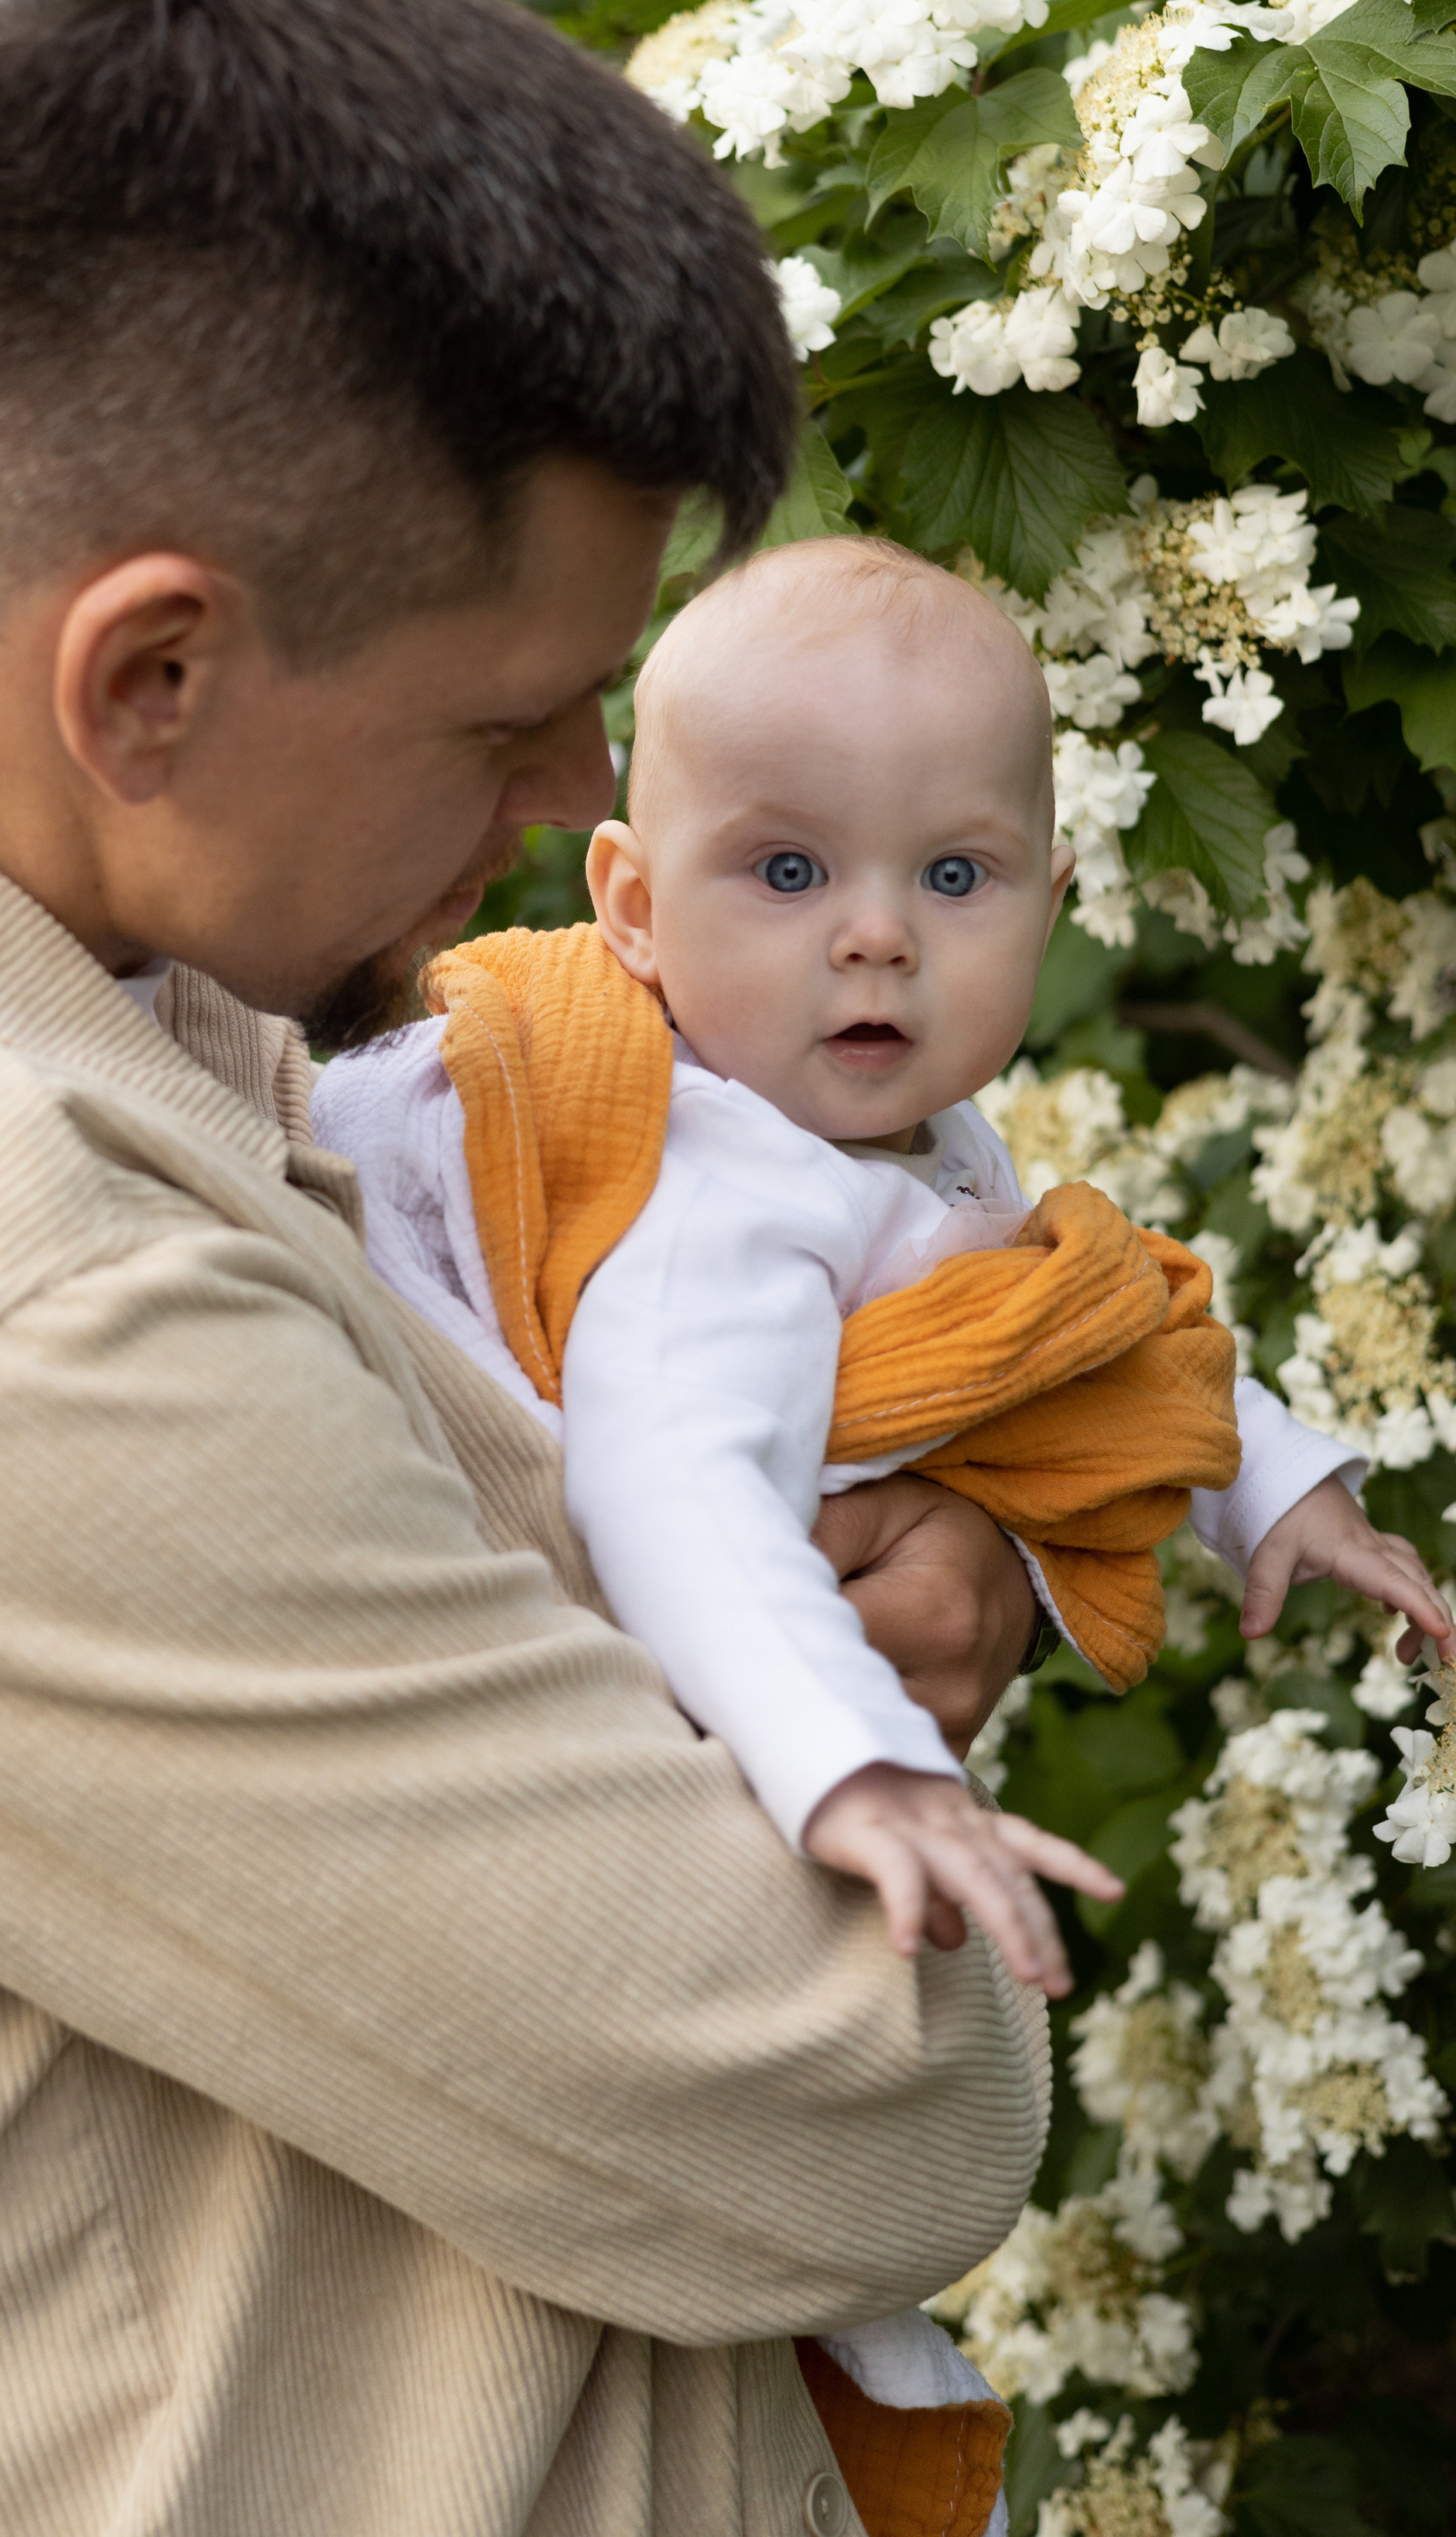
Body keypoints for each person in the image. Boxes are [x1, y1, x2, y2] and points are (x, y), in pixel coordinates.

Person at [0, 0, 1051, 2537]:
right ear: (151, 679)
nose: (580, 798)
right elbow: (873, 2119)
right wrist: (846, 1691)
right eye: (504, 705)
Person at [317, 535, 1453, 1968]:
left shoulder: (894, 1131)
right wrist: (858, 1759)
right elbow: (675, 1483)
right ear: (635, 912)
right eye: (788, 868)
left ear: (1049, 913)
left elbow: (1051, 1324)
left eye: (955, 876)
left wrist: (1284, 1492)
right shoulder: (714, 1193)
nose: (878, 938)